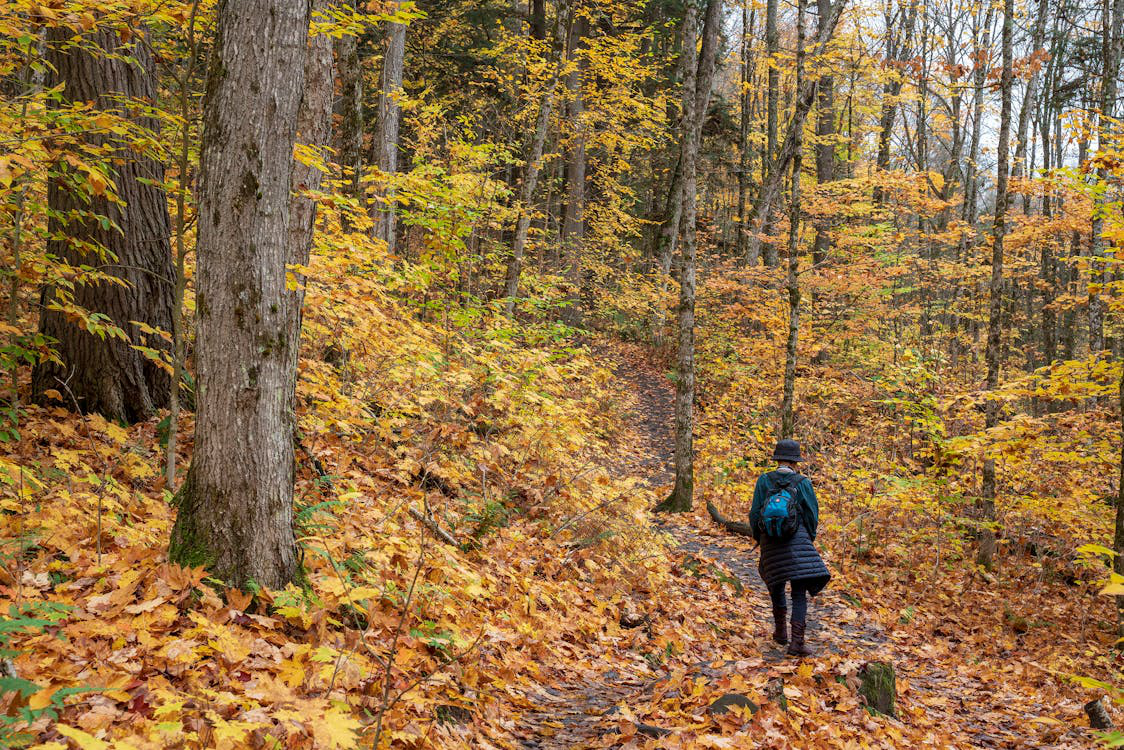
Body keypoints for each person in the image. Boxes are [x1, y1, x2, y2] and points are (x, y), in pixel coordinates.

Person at [748, 438, 831, 656]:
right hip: (797, 542)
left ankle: (780, 633)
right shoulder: (802, 482)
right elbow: (812, 514)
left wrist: (760, 538)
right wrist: (808, 538)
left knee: (775, 584)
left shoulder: (764, 480)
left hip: (770, 542)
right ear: (795, 462)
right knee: (798, 593)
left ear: (777, 459)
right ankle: (797, 643)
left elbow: (755, 513)